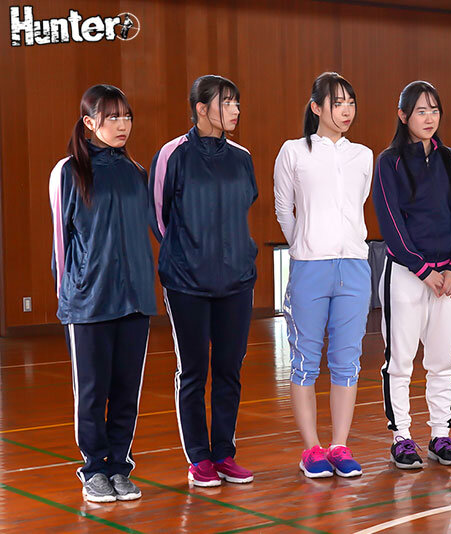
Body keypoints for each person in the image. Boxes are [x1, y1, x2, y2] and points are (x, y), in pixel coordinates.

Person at [49, 84, 156, 502]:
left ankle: (119, 467)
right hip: (87, 304)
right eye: (112, 117)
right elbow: (61, 243)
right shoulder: (69, 172)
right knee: (92, 394)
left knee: (126, 392)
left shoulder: (136, 172)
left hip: (135, 302)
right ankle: (94, 468)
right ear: (89, 122)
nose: (122, 124)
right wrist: (69, 298)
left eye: (127, 116)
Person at [150, 75, 257, 487]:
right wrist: (187, 254)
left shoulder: (242, 157)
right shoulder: (172, 154)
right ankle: (199, 458)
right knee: (193, 372)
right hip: (186, 284)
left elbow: (244, 207)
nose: (235, 110)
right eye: (226, 103)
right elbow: (158, 216)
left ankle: (224, 453)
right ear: (201, 108)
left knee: (229, 370)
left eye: (237, 103)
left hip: (237, 283)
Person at [274, 72, 373, 479]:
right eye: (337, 102)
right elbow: (284, 209)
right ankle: (312, 448)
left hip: (354, 267)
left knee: (347, 361)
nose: (346, 110)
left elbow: (358, 203)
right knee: (305, 362)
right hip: (309, 268)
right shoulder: (294, 151)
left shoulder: (363, 155)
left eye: (351, 102)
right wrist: (305, 245)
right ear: (316, 107)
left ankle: (340, 445)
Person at [373, 80, 451, 469]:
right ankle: (401, 437)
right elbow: (390, 222)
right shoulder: (389, 162)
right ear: (403, 116)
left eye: (434, 110)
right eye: (420, 111)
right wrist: (423, 268)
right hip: (406, 275)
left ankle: (440, 435)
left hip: (449, 279)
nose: (429, 118)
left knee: (443, 360)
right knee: (400, 361)